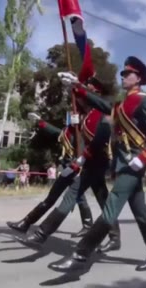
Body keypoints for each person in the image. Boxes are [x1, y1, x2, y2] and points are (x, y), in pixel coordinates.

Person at [49, 56, 146, 272]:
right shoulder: (122, 104)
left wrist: (145, 157)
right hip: (124, 164)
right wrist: (78, 88)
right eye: (122, 73)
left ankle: (80, 254)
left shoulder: (144, 100)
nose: (123, 77)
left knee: (110, 208)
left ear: (138, 78)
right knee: (141, 213)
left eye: (127, 74)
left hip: (134, 163)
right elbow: (101, 104)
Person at [19, 76, 121, 253]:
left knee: (71, 195)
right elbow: (69, 136)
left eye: (87, 90)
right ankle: (115, 236)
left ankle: (42, 233)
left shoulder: (100, 113)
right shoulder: (87, 115)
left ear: (95, 93)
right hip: (90, 161)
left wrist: (82, 158)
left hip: (97, 160)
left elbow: (100, 140)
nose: (82, 96)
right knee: (103, 198)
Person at [5, 104, 93, 237]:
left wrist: (78, 127)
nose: (72, 117)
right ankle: (26, 223)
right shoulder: (68, 131)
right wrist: (40, 122)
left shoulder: (83, 133)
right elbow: (56, 132)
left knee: (79, 198)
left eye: (76, 115)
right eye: (72, 115)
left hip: (76, 170)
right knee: (51, 199)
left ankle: (88, 226)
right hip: (66, 169)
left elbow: (81, 145)